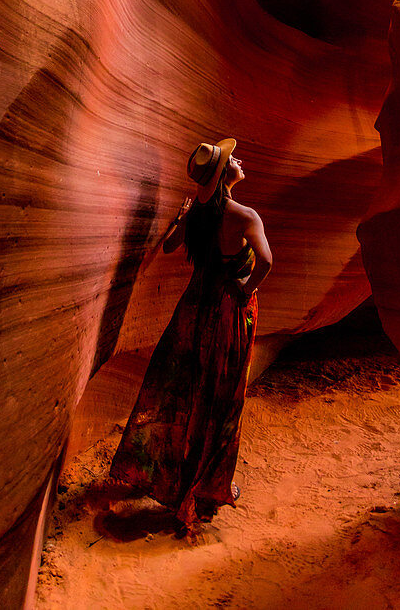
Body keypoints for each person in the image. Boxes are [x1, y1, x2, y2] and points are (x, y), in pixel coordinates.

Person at [108, 138, 273, 533]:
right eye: (232, 159)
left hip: (193, 308)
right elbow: (266, 261)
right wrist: (245, 290)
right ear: (223, 176)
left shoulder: (196, 214)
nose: (238, 160)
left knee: (186, 386)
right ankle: (210, 484)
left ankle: (174, 475)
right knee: (222, 393)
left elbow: (169, 247)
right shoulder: (244, 215)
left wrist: (180, 217)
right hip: (228, 310)